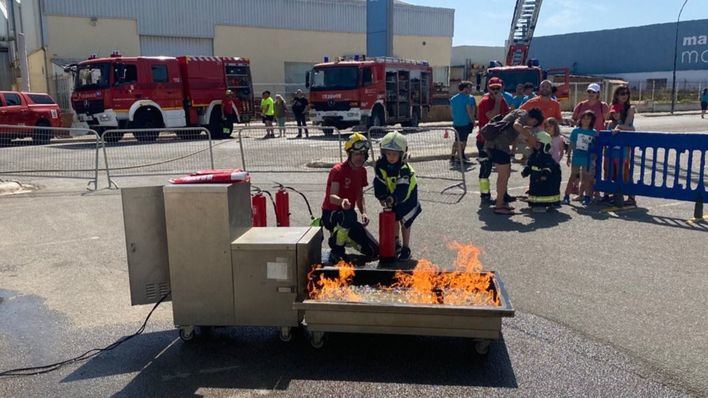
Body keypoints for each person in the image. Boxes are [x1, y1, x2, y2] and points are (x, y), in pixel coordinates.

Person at [321, 133, 378, 263]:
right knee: (349, 214)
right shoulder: (338, 170)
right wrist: (342, 201)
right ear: (349, 154)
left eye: (363, 154)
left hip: (348, 217)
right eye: (357, 154)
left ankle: (345, 237)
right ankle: (337, 247)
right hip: (331, 214)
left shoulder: (362, 171)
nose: (360, 157)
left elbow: (359, 195)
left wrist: (364, 212)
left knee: (374, 250)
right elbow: (332, 197)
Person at [483, 108, 543, 215]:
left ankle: (502, 200)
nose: (532, 125)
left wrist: (513, 151)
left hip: (500, 146)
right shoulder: (523, 114)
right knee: (503, 176)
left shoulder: (519, 113)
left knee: (507, 173)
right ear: (533, 119)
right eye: (534, 123)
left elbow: (513, 131)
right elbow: (516, 125)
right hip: (498, 146)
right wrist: (530, 137)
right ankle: (499, 205)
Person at [373, 131, 422, 261]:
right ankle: (396, 243)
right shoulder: (380, 166)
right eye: (388, 153)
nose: (391, 157)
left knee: (405, 221)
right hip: (392, 194)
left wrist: (393, 198)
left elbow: (402, 189)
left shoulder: (404, 169)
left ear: (402, 154)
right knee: (393, 218)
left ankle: (406, 248)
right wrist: (382, 196)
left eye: (395, 154)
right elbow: (378, 182)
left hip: (407, 197)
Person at [477, 76, 510, 204]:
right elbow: (493, 117)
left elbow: (507, 116)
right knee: (486, 168)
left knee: (505, 169)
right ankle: (485, 194)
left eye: (498, 88)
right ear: (488, 88)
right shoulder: (485, 101)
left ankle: (503, 194)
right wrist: (497, 102)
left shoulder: (503, 100)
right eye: (493, 88)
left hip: (499, 141)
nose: (496, 90)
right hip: (484, 141)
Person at [605, 85, 637, 206]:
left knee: (624, 170)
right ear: (616, 95)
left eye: (626, 93)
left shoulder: (630, 108)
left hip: (624, 144)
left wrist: (619, 126)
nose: (624, 96)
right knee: (610, 170)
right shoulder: (612, 107)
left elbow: (629, 126)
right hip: (611, 144)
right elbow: (607, 120)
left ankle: (631, 196)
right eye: (621, 93)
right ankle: (615, 193)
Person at [563, 110, 598, 206]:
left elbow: (596, 146)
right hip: (577, 156)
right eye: (584, 118)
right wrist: (568, 155)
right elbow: (571, 144)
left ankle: (587, 197)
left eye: (588, 119)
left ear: (592, 120)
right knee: (573, 176)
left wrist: (595, 155)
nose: (586, 120)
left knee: (586, 178)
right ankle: (566, 196)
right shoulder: (576, 131)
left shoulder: (594, 132)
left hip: (588, 158)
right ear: (581, 119)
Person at [521, 131, 562, 212]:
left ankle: (543, 204)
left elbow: (549, 168)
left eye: (538, 144)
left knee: (543, 190)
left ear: (544, 145)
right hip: (535, 178)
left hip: (542, 180)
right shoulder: (534, 155)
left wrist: (544, 175)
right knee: (535, 189)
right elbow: (531, 164)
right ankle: (537, 203)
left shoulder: (547, 158)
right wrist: (526, 171)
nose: (536, 146)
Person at [449, 81, 476, 165]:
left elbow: (452, 112)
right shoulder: (466, 98)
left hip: (456, 123)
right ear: (464, 89)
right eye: (468, 88)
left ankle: (453, 156)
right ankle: (460, 158)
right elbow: (469, 111)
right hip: (465, 122)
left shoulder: (453, 98)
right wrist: (473, 121)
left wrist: (456, 119)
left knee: (457, 140)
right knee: (463, 141)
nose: (469, 90)